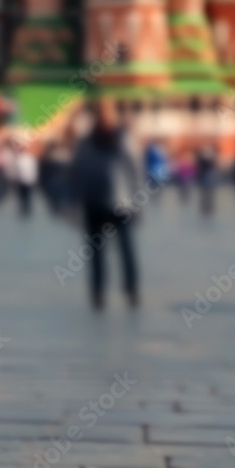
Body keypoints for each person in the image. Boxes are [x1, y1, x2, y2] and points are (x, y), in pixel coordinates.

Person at [69, 99, 140, 310]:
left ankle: (131, 288)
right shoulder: (87, 141)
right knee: (96, 253)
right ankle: (98, 292)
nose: (104, 118)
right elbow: (77, 169)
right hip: (94, 203)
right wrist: (76, 197)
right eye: (101, 113)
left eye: (108, 113)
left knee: (126, 250)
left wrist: (138, 200)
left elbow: (135, 167)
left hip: (121, 203)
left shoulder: (123, 138)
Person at [13, 144, 38, 217]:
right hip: (25, 180)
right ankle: (26, 208)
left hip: (24, 180)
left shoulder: (25, 158)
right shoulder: (28, 158)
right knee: (25, 196)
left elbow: (18, 170)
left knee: (24, 196)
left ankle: (25, 208)